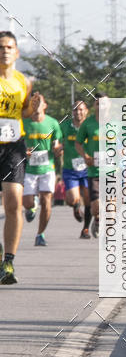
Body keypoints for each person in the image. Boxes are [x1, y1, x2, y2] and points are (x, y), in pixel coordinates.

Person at [0, 31, 41, 283]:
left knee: (14, 203)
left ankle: (9, 263)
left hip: (14, 145)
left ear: (17, 52)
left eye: (9, 47)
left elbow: (24, 110)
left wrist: (32, 108)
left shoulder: (23, 81)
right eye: (1, 46)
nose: (5, 50)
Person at [22, 94, 63, 246]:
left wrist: (58, 149)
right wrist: (23, 151)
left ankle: (40, 234)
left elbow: (58, 144)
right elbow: (17, 143)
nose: (37, 103)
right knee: (26, 203)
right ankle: (31, 206)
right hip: (29, 170)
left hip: (47, 168)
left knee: (47, 202)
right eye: (34, 101)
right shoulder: (24, 123)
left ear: (45, 106)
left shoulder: (52, 123)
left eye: (40, 101)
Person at [75, 94, 105, 237]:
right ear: (94, 106)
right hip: (95, 171)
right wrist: (85, 156)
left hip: (113, 171)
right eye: (98, 103)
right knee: (95, 206)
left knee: (112, 205)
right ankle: (97, 219)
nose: (102, 106)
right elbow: (78, 143)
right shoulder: (88, 124)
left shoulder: (117, 123)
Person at [61, 100, 92, 238]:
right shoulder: (65, 126)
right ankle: (75, 206)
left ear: (86, 111)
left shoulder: (91, 126)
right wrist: (57, 148)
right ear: (72, 112)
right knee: (71, 199)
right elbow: (57, 140)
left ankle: (85, 229)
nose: (78, 112)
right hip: (70, 168)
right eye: (75, 109)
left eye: (81, 109)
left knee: (88, 199)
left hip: (88, 169)